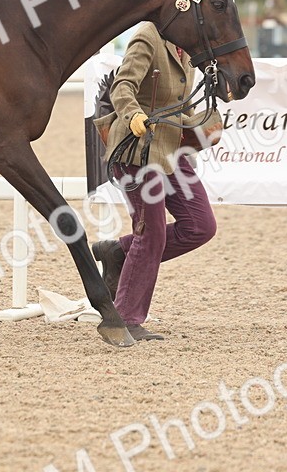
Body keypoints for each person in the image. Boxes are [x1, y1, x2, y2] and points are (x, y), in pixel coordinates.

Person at [91, 22, 217, 342]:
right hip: (137, 152)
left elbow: (174, 108)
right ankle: (124, 319)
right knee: (151, 234)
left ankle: (119, 252)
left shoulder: (187, 47)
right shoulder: (148, 36)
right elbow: (123, 87)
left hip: (171, 152)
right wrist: (132, 114)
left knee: (200, 226)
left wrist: (202, 125)